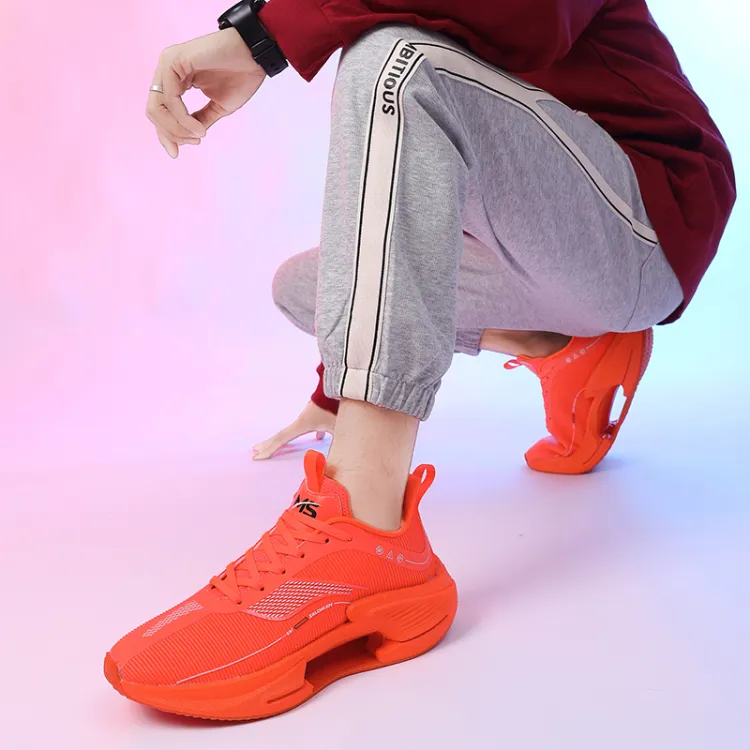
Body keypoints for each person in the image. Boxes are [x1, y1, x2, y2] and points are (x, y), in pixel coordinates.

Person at [104, 0, 735, 721]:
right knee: (304, 288)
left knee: (394, 62)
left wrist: (265, 35)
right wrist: (338, 385)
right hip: (538, 248)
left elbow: (528, 19)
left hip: (643, 225)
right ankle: (562, 342)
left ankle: (366, 526)